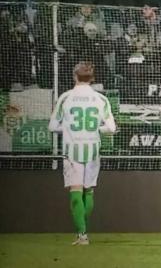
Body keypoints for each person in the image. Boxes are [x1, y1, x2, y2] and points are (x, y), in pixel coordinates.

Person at [48, 62, 117, 245]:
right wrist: (95, 129)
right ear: (92, 79)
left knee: (75, 189)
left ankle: (82, 234)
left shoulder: (66, 97)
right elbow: (111, 128)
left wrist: (70, 128)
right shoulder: (101, 99)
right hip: (93, 150)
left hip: (73, 151)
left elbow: (52, 126)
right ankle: (83, 232)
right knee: (89, 190)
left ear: (74, 76)